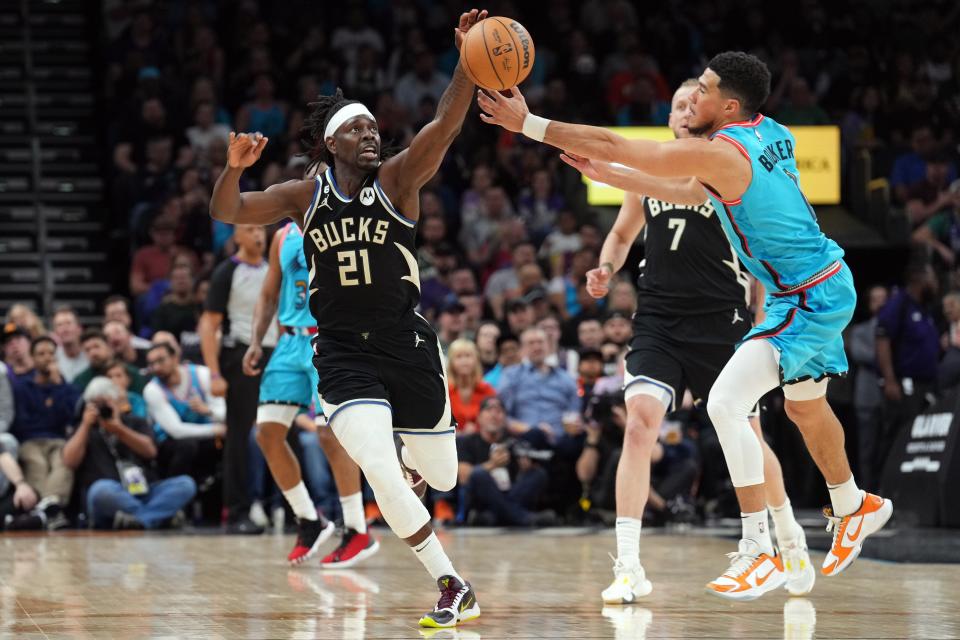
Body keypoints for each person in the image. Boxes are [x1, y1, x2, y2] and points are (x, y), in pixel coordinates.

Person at [478, 51, 891, 599]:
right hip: (822, 284)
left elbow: (623, 144)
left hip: (800, 299)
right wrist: (612, 174)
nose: (693, 97)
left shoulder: (722, 153)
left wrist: (530, 125)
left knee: (726, 405)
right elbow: (687, 191)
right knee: (804, 408)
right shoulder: (768, 132)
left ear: (730, 105)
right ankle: (852, 503)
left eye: (704, 90)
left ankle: (760, 549)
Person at [208, 9, 487, 628]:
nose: (371, 135)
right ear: (331, 143)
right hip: (340, 352)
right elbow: (227, 210)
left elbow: (443, 125)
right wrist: (234, 166)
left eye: (373, 127)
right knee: (378, 468)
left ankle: (415, 463)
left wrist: (468, 63)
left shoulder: (398, 177)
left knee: (439, 476)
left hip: (407, 343)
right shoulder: (304, 196)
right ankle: (451, 583)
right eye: (356, 129)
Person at [558, 80, 814, 601]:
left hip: (720, 320)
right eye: (676, 104)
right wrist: (606, 267)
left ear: (707, 117)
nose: (683, 110)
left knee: (747, 434)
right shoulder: (649, 173)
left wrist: (761, 307)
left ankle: (788, 535)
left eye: (691, 103)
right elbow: (624, 233)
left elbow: (761, 249)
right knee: (638, 425)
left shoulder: (725, 167)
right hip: (658, 318)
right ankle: (628, 564)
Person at [242, 220, 376, 568]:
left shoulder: (346, 226)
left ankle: (357, 529)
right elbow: (269, 293)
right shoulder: (283, 236)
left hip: (328, 337)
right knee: (267, 434)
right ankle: (308, 519)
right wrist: (257, 341)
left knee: (329, 435)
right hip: (288, 341)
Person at [198, 224, 278, 534]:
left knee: (284, 433)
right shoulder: (226, 272)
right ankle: (236, 511)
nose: (258, 234)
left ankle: (292, 509)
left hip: (276, 354)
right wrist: (215, 373)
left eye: (261, 228)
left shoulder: (275, 269)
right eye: (249, 229)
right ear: (237, 237)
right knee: (240, 436)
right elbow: (208, 325)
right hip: (240, 355)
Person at [62, 377, 196, 529]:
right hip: (110, 496)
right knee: (100, 490)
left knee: (185, 484)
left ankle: (140, 520)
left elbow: (150, 452)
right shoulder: (83, 429)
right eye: (96, 404)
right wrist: (86, 425)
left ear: (118, 402)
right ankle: (157, 517)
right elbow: (69, 461)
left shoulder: (135, 422)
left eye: (106, 403)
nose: (102, 409)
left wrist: (119, 429)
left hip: (145, 491)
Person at [9, 336, 81, 529]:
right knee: (37, 463)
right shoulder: (22, 387)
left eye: (51, 353)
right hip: (30, 441)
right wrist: (49, 411)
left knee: (63, 463)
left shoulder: (65, 387)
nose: (47, 358)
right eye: (41, 354)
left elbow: (71, 416)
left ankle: (45, 509)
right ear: (32, 358)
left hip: (58, 439)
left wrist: (58, 386)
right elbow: (22, 423)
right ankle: (52, 510)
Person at [456, 396, 551, 526]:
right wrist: (492, 465)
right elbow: (464, 477)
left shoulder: (514, 442)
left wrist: (524, 469)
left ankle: (500, 516)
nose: (495, 415)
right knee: (479, 475)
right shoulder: (467, 441)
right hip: (481, 502)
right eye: (489, 410)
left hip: (505, 497)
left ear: (505, 419)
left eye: (499, 411)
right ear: (479, 417)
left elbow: (520, 483)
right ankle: (525, 518)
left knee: (538, 473)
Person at [142, 343, 225, 479]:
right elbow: (176, 431)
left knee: (230, 440)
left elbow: (224, 412)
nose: (156, 367)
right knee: (188, 445)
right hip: (169, 443)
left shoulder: (201, 374)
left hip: (205, 435)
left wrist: (209, 410)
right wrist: (216, 429)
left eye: (161, 360)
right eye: (152, 364)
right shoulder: (152, 390)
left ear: (175, 358)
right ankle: (176, 489)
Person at [73, 329, 147, 393]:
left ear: (109, 346)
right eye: (87, 350)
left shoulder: (130, 372)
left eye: (96, 346)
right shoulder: (81, 381)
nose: (93, 353)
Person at [447, 339, 496, 434]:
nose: (464, 361)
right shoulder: (444, 391)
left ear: (476, 360)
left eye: (468, 356)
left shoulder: (487, 390)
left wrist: (477, 430)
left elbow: (494, 419)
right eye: (459, 357)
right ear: (451, 363)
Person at [52, 306, 88, 383]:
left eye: (68, 323)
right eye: (60, 325)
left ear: (79, 328)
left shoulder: (91, 354)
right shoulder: (52, 358)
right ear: (55, 332)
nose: (65, 329)